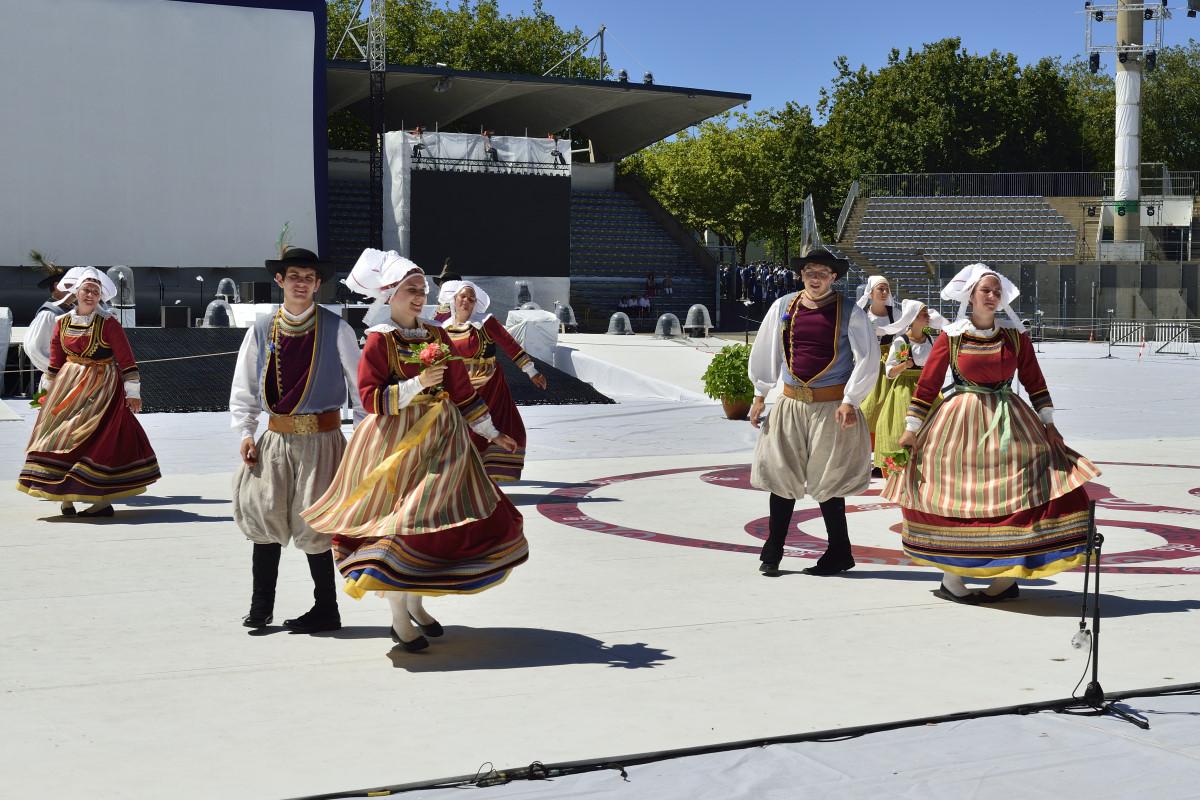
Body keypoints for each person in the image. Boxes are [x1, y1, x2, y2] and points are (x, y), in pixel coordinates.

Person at [301, 249, 528, 652]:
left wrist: (491, 432)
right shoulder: (379, 339)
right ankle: (399, 618)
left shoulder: (438, 335)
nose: (420, 296)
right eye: (411, 290)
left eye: (423, 290)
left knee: (432, 523)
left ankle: (417, 606)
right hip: (396, 444)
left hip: (443, 440)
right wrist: (418, 383)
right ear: (389, 294)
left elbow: (461, 391)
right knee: (400, 525)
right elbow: (370, 398)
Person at [884, 264, 1101, 603]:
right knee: (957, 494)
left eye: (996, 291)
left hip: (1009, 421)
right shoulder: (951, 336)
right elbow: (927, 386)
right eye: (985, 290)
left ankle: (1005, 575)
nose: (992, 295)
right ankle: (951, 577)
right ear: (970, 295)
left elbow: (1034, 382)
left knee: (1019, 490)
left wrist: (1050, 425)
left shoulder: (1014, 335)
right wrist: (911, 430)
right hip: (959, 424)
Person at [230, 246, 366, 633]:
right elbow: (245, 386)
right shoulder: (261, 328)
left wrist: (362, 437)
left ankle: (327, 609)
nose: (302, 283)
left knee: (317, 522)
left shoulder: (337, 328)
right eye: (294, 277)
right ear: (281, 281)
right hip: (274, 438)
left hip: (323, 440)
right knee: (265, 514)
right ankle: (261, 608)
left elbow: (359, 389)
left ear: (318, 283)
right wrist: (245, 431)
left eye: (309, 278)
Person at [748, 247, 877, 577]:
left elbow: (867, 359)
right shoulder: (783, 306)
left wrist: (851, 400)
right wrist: (760, 394)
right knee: (781, 475)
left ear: (834, 277)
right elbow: (768, 349)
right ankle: (773, 550)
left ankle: (839, 553)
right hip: (790, 403)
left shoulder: (851, 312)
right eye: (809, 273)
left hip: (832, 407)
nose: (815, 279)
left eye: (822, 273)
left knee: (828, 480)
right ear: (800, 275)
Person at [17, 268, 160, 517]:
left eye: (95, 291)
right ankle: (65, 496)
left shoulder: (109, 323)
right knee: (59, 435)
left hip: (101, 386)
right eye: (86, 290)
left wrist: (132, 392)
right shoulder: (62, 322)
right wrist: (47, 392)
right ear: (77, 292)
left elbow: (126, 359)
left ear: (100, 296)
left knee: (94, 437)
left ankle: (101, 501)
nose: (90, 295)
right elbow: (55, 359)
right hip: (69, 386)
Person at [439, 279, 547, 481]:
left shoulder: (485, 322)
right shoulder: (444, 327)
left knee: (486, 429)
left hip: (488, 385)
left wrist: (531, 371)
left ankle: (483, 475)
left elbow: (509, 344)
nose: (466, 301)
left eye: (471, 299)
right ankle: (460, 475)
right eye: (463, 296)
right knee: (457, 431)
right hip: (458, 386)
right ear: (454, 299)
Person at [872, 299, 947, 476]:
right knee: (901, 425)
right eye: (924, 314)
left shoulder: (929, 338)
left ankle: (927, 467)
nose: (928, 317)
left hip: (926, 386)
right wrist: (904, 366)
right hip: (904, 389)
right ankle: (901, 468)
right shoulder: (901, 341)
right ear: (913, 318)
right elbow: (889, 371)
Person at [856, 276, 897, 472]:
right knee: (866, 410)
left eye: (886, 288)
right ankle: (863, 457)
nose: (884, 292)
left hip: (889, 364)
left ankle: (884, 459)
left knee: (886, 411)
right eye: (880, 289)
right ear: (871, 292)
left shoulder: (895, 314)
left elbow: (901, 339)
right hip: (869, 362)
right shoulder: (863, 314)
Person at [24, 259, 76, 392]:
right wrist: (57, 368)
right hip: (58, 380)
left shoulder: (73, 309)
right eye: (72, 284)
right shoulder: (49, 314)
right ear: (58, 286)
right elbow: (34, 348)